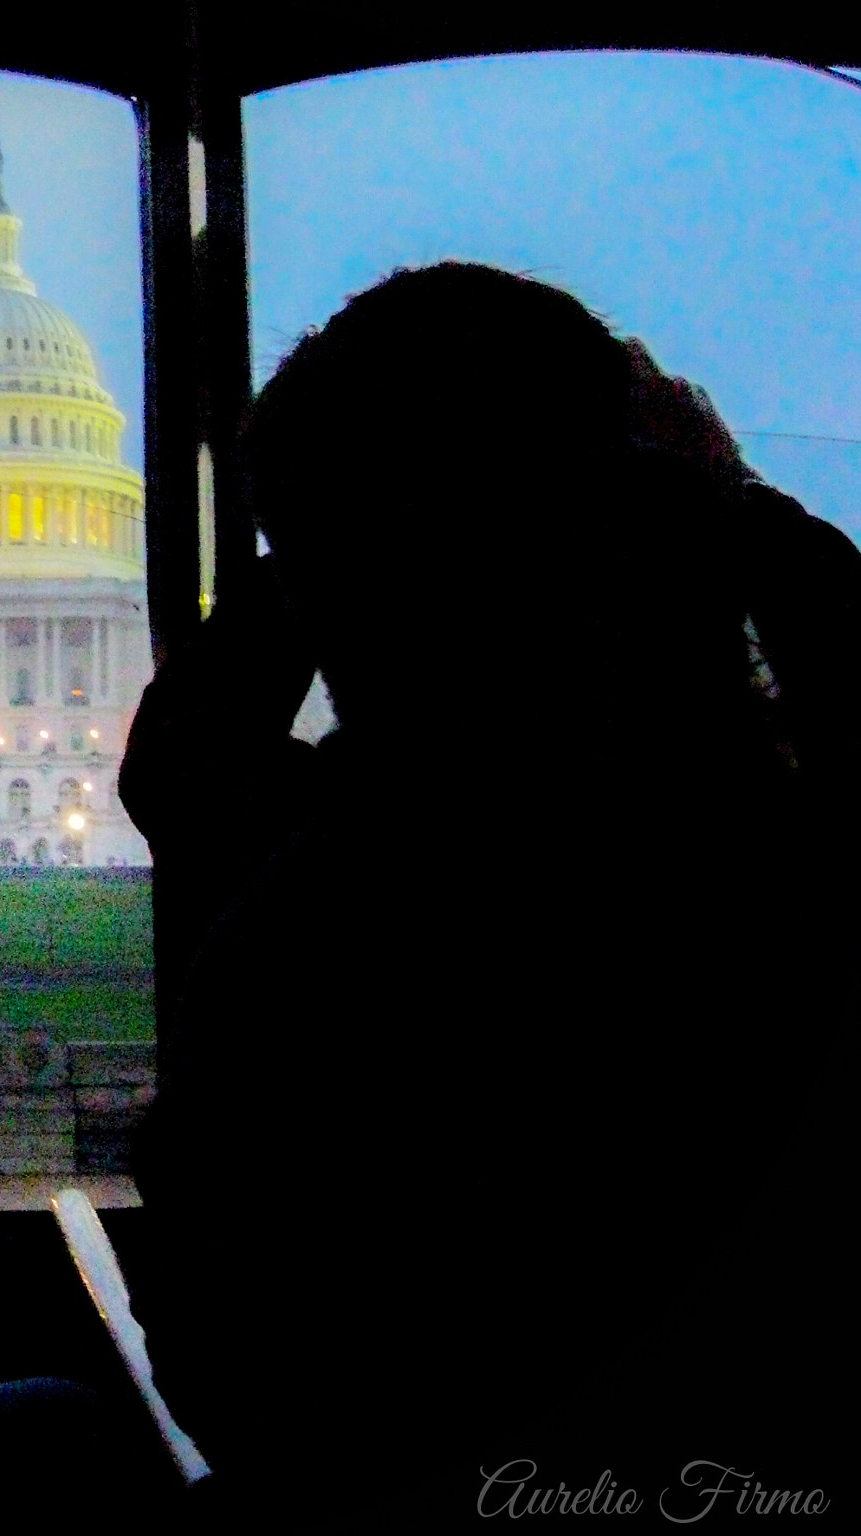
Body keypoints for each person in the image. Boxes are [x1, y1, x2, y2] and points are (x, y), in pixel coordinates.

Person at [119, 263, 854, 1528]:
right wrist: (725, 500)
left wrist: (321, 528)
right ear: (633, 532)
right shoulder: (775, 868)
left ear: (314, 581)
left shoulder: (317, 877)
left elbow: (180, 751)